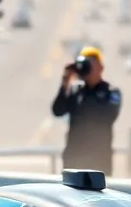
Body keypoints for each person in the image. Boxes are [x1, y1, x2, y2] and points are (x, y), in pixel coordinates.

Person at [51, 46, 122, 174]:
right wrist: (65, 83)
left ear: (100, 67)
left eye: (89, 64)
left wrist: (90, 89)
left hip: (99, 161)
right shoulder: (75, 91)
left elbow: (108, 115)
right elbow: (57, 110)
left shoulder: (111, 92)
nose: (85, 68)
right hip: (74, 160)